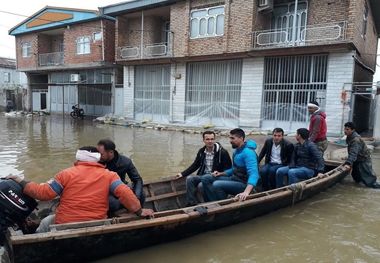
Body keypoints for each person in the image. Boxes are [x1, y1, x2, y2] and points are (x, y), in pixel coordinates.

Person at [7, 146, 154, 233]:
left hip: (65, 222)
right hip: (97, 222)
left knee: (45, 222)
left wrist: (20, 180)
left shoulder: (66, 174)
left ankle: (35, 241)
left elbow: (43, 193)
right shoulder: (109, 175)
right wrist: (140, 211)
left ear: (79, 160)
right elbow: (125, 193)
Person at [201, 128, 259, 202]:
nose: (230, 141)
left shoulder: (248, 153)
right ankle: (212, 201)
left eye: (232, 138)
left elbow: (254, 174)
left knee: (217, 184)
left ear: (241, 138)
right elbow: (235, 169)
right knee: (206, 178)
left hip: (245, 184)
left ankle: (222, 205)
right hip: (235, 178)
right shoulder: (237, 151)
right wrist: (221, 173)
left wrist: (246, 192)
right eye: (230, 138)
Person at [176, 131, 232, 206]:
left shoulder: (222, 153)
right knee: (189, 179)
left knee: (201, 185)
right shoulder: (201, 152)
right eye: (207, 139)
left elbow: (228, 169)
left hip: (216, 177)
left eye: (212, 139)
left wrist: (219, 174)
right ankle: (191, 202)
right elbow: (195, 165)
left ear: (214, 140)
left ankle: (209, 203)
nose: (210, 141)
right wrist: (182, 174)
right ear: (203, 140)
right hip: (203, 175)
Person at [97, 139, 145, 211]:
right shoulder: (95, 161)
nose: (98, 156)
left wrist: (136, 197)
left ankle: (136, 210)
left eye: (101, 154)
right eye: (97, 153)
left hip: (120, 188)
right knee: (112, 203)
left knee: (142, 194)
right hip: (103, 190)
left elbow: (137, 179)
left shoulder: (125, 161)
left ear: (110, 152)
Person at [343, 122, 380, 189]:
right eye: (345, 129)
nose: (345, 131)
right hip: (357, 159)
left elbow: (354, 152)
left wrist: (348, 163)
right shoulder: (349, 137)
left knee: (370, 181)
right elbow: (352, 150)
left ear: (352, 130)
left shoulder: (355, 140)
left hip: (364, 160)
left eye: (347, 129)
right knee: (356, 178)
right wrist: (348, 158)